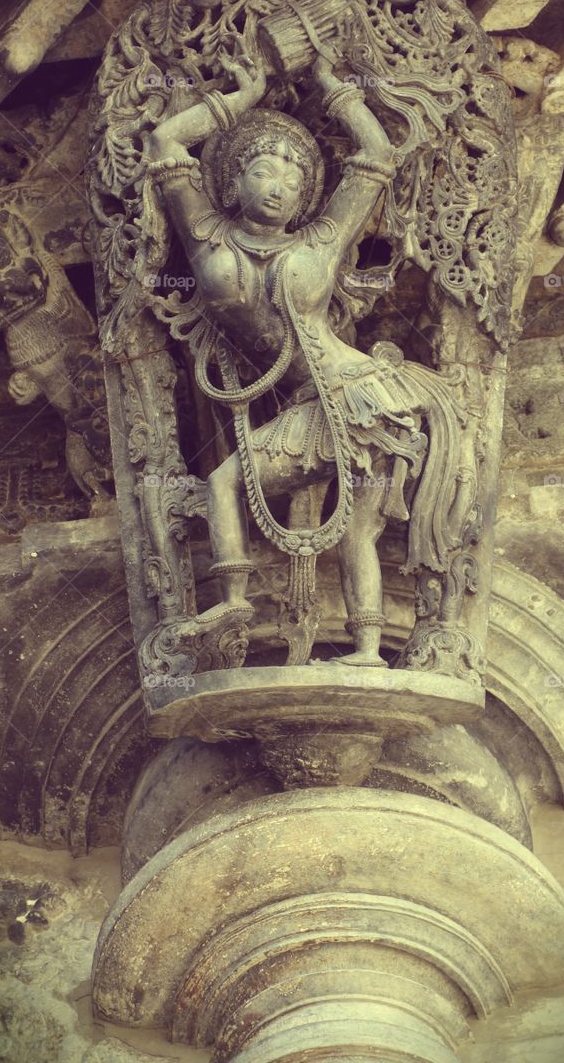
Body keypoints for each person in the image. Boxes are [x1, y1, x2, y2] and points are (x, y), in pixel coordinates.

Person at [143, 46, 462, 666]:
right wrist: (236, 100)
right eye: (263, 171)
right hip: (317, 401)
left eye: (294, 180)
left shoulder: (321, 238)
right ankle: (234, 602)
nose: (279, 187)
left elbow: (376, 158)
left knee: (358, 529)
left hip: (362, 391)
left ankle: (367, 650)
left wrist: (333, 86)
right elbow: (163, 144)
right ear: (232, 183)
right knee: (225, 483)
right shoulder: (204, 231)